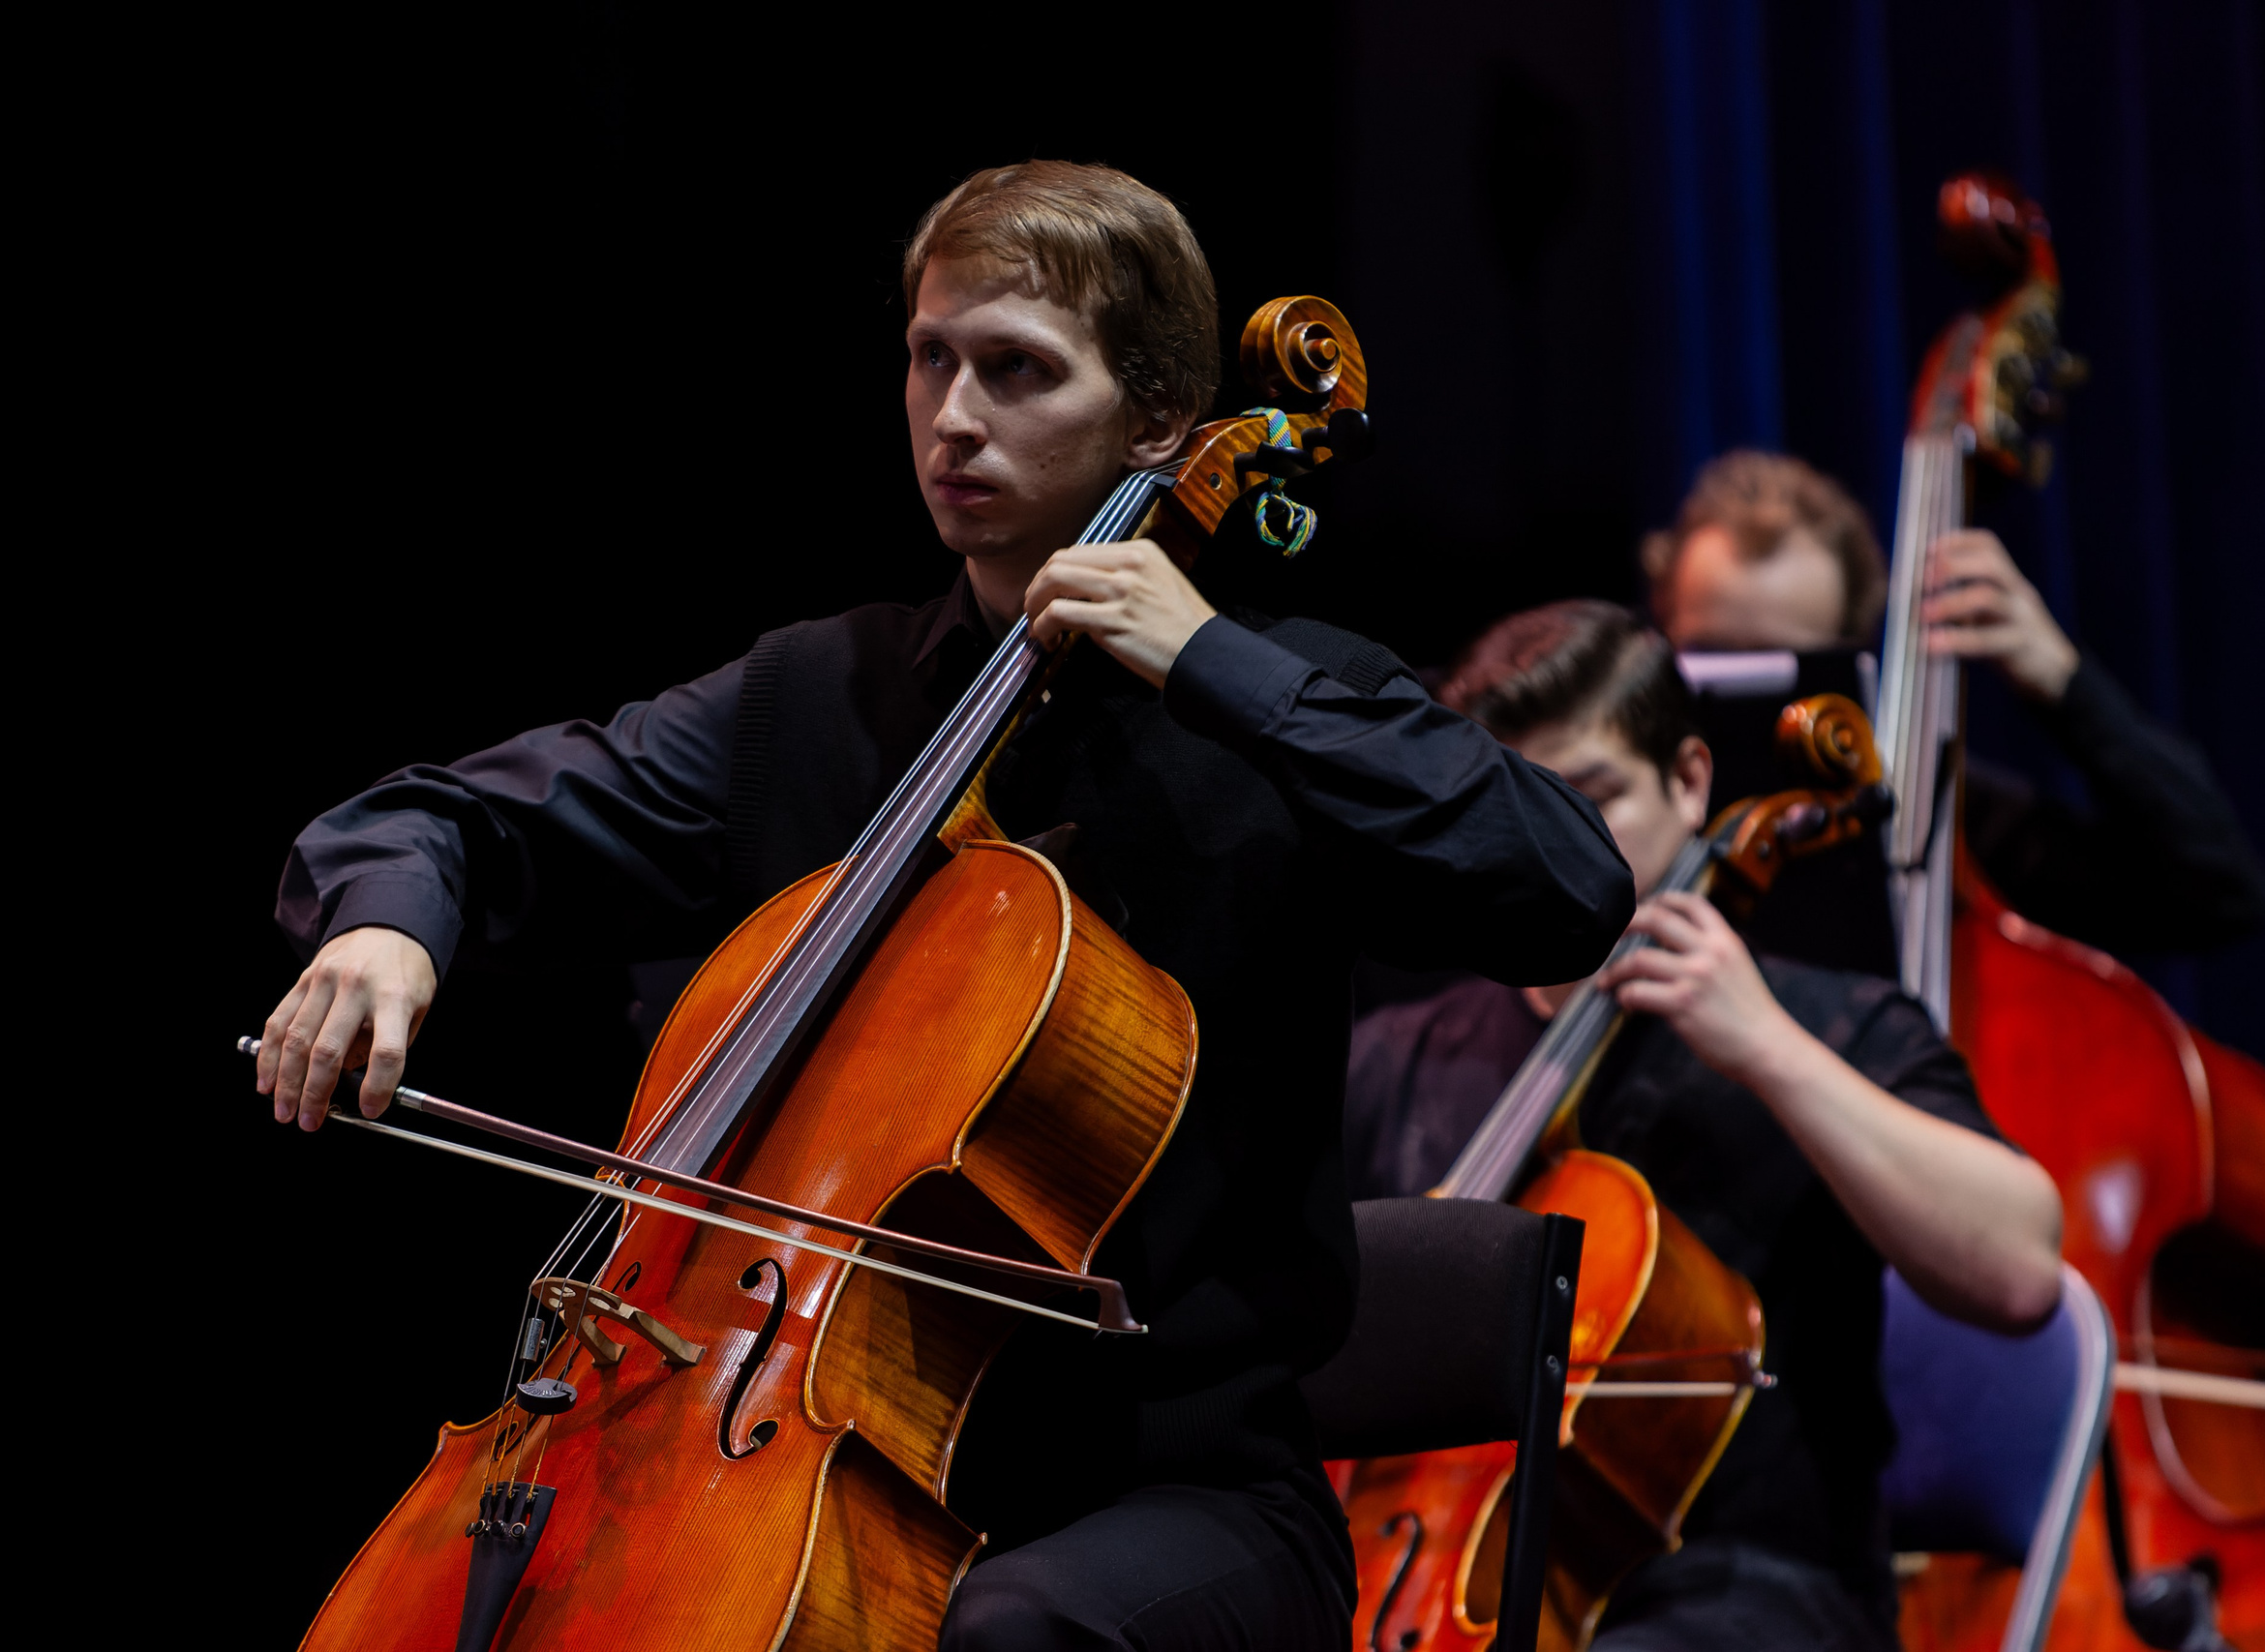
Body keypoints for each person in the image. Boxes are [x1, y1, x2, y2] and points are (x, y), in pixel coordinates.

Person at [252, 162, 1635, 1651]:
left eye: (1018, 370)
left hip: (1177, 1491)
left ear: (1160, 420)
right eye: (931, 358)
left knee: (1009, 1633)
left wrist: (1215, 660)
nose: (954, 415)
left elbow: (1564, 888)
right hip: (769, 1430)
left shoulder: (1298, 707)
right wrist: (383, 919)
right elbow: (441, 815)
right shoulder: (813, 695)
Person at [1345, 599, 2067, 1651]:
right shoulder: (1394, 1055)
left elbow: (2019, 1274)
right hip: (1427, 1568)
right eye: (1501, 807)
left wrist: (1766, 1049)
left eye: (1587, 801)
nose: (1539, 847)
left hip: (1753, 1587)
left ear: (1689, 782)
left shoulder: (1836, 1023)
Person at [1642, 449, 2265, 956]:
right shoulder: (1613, 822)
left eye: (1793, 667)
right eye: (1713, 657)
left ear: (1856, 655)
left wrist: (2065, 682)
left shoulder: (1933, 828)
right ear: (1663, 635)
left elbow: (2218, 890)